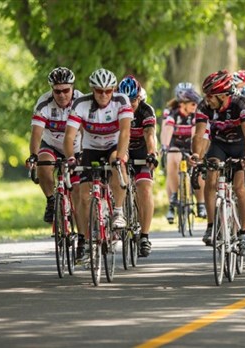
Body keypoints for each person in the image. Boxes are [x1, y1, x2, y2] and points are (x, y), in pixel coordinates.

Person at [64, 68, 133, 262]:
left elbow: (125, 133)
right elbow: (69, 136)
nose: (104, 95)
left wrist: (120, 156)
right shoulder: (81, 104)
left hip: (113, 145)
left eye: (108, 91)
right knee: (84, 197)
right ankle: (86, 242)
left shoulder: (121, 101)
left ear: (113, 90)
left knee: (117, 164)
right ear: (93, 90)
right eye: (99, 91)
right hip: (90, 148)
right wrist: (70, 158)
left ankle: (118, 211)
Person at [190, 70, 245, 255]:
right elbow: (200, 134)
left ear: (222, 95)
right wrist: (197, 155)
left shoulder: (240, 103)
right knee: (211, 177)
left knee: (240, 187)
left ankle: (244, 231)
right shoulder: (205, 105)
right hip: (219, 145)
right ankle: (211, 225)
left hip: (240, 145)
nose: (207, 99)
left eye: (210, 95)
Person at [27, 67, 83, 224]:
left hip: (75, 147)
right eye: (57, 91)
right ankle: (51, 200)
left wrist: (84, 153)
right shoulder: (43, 104)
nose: (62, 95)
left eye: (66, 90)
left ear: (72, 87)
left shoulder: (82, 102)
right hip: (52, 145)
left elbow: (86, 130)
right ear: (52, 89)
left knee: (77, 192)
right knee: (43, 164)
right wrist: (33, 155)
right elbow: (36, 134)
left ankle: (82, 239)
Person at [117, 76, 158, 257]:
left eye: (133, 100)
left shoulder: (146, 110)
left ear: (139, 98)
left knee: (145, 188)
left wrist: (152, 153)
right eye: (126, 100)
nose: (130, 104)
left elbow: (150, 134)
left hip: (142, 150)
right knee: (117, 176)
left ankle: (144, 236)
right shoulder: (114, 110)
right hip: (123, 149)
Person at [161, 83, 207, 223]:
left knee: (198, 167)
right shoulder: (171, 113)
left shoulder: (196, 114)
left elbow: (196, 131)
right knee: (172, 159)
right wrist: (164, 146)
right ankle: (173, 199)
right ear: (183, 104)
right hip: (175, 144)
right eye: (192, 103)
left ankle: (200, 203)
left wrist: (196, 151)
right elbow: (166, 130)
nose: (195, 106)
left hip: (191, 143)